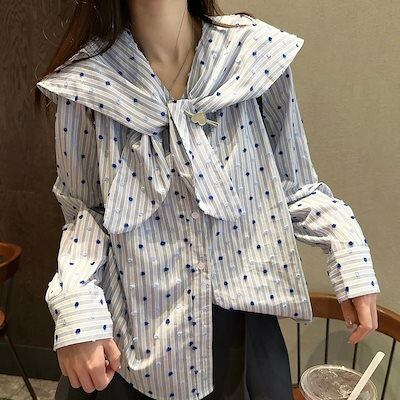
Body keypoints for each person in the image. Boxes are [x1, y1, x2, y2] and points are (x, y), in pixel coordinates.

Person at [34, 1, 381, 399]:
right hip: (134, 336)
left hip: (243, 332)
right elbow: (86, 216)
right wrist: (76, 301)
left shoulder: (253, 56)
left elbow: (293, 186)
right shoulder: (86, 85)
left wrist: (347, 250)